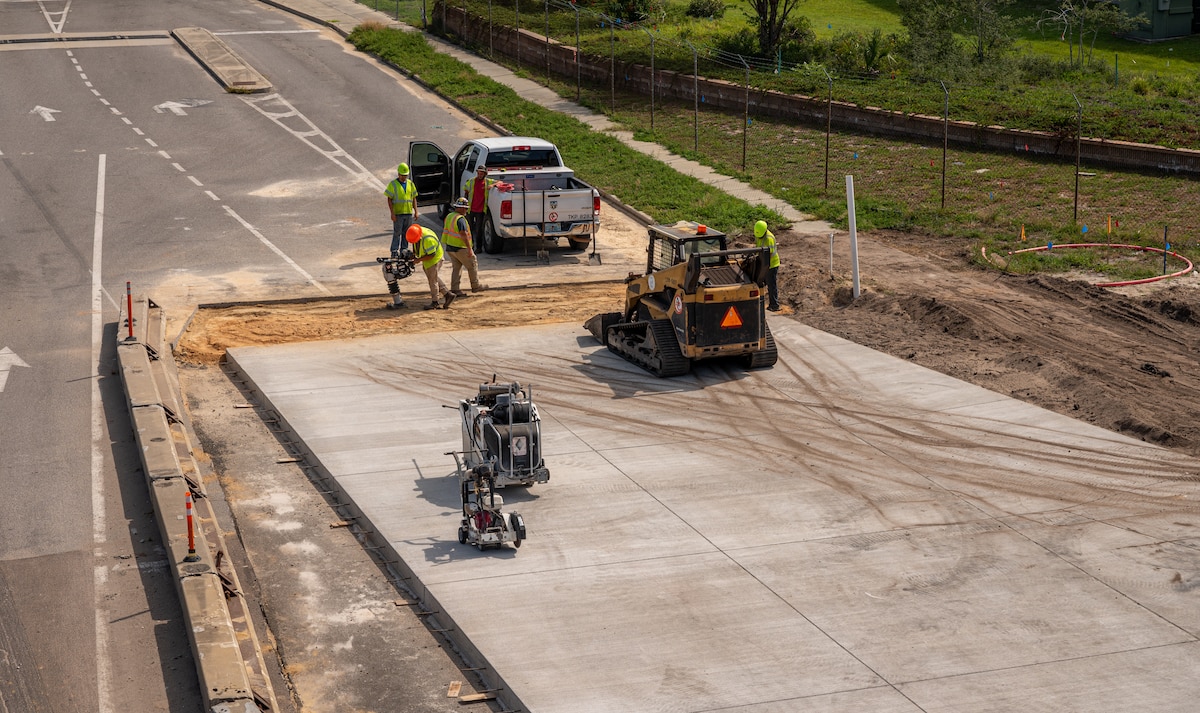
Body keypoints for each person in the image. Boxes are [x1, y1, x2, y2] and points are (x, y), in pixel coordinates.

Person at [442, 197, 487, 296]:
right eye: (466, 208)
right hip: (460, 247)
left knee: (456, 268)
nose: (467, 210)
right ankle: (475, 286)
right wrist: (469, 249)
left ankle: (455, 289)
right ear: (461, 208)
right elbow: (463, 234)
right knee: (472, 265)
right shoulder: (460, 219)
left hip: (450, 247)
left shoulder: (450, 216)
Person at [406, 224, 455, 310]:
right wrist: (414, 255)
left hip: (434, 259)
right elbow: (415, 244)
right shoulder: (417, 233)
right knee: (433, 278)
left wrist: (418, 260)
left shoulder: (428, 239)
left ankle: (435, 302)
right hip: (427, 259)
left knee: (433, 281)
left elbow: (431, 255)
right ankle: (448, 294)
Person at [385, 163, 419, 256]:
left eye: (405, 175)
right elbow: (389, 199)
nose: (404, 177)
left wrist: (416, 211)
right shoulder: (393, 184)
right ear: (398, 174)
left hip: (408, 213)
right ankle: (394, 251)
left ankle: (404, 249)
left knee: (406, 233)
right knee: (397, 233)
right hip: (398, 213)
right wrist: (392, 213)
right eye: (403, 175)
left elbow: (414, 198)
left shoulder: (410, 184)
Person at [463, 164, 497, 252]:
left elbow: (499, 182)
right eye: (478, 173)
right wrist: (465, 207)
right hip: (470, 209)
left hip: (480, 210)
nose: (479, 175)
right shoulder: (471, 181)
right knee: (469, 230)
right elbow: (466, 192)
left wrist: (492, 186)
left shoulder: (488, 182)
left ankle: (478, 248)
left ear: (485, 174)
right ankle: (471, 247)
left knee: (478, 230)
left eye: (481, 173)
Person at [753, 220, 781, 312]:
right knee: (761, 282)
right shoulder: (759, 235)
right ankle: (760, 301)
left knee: (771, 285)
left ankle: (774, 305)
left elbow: (769, 254)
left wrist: (763, 266)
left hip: (771, 265)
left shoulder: (769, 238)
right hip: (764, 263)